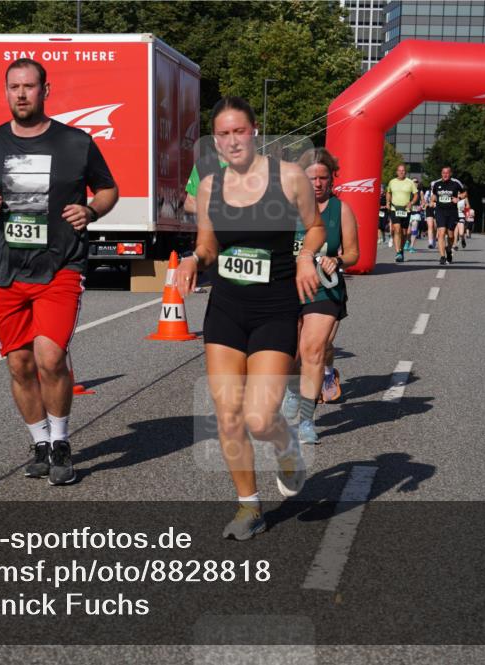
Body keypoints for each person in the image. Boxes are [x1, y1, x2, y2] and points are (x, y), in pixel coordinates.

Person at [0, 58, 119, 486]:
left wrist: (90, 209)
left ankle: (62, 441)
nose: (21, 94)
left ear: (44, 91)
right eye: (14, 86)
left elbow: (108, 189)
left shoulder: (75, 142)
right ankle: (40, 443)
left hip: (61, 265)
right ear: (6, 90)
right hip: (9, 269)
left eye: (29, 86)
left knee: (50, 357)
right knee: (19, 364)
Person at [175, 96, 323, 541]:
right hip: (226, 308)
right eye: (223, 133)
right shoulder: (209, 186)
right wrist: (192, 260)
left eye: (239, 131)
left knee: (260, 418)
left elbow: (314, 227)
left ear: (254, 131)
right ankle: (249, 507)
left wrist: (306, 258)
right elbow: (209, 245)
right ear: (215, 140)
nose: (231, 140)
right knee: (228, 416)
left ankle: (287, 446)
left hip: (275, 307)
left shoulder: (289, 177)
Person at [280, 148, 358, 445]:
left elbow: (353, 252)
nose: (317, 184)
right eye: (311, 178)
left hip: (325, 287)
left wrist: (337, 261)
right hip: (287, 287)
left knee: (313, 350)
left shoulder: (342, 210)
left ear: (331, 179)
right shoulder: (286, 209)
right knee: (290, 353)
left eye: (323, 178)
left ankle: (306, 422)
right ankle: (290, 388)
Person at [430, 166, 465, 265]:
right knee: (441, 233)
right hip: (440, 211)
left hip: (452, 212)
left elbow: (464, 193)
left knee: (450, 235)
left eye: (447, 173)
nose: (445, 175)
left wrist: (458, 198)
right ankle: (442, 256)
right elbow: (434, 195)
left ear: (450, 174)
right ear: (441, 174)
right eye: (443, 173)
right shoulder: (437, 184)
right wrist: (432, 201)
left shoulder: (455, 184)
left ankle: (448, 250)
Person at [386, 164, 418, 263]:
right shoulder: (392, 182)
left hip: (406, 210)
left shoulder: (410, 182)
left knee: (404, 233)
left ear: (405, 172)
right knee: (397, 229)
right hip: (395, 208)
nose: (401, 172)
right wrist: (388, 202)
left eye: (403, 171)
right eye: (399, 170)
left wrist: (411, 203)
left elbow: (415, 195)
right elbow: (388, 192)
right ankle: (398, 252)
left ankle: (401, 249)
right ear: (397, 172)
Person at [406, 177, 422, 253]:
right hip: (408, 213)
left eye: (416, 182)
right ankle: (407, 242)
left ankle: (412, 246)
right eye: (414, 182)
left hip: (416, 213)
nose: (415, 183)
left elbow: (423, 202)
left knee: (414, 228)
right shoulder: (408, 192)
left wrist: (422, 206)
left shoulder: (420, 192)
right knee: (408, 231)